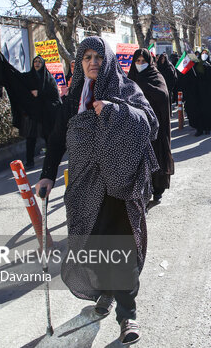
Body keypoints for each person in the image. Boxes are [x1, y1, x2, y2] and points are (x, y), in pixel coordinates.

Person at [35, 37, 159, 344]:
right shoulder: (74, 96)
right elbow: (56, 139)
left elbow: (150, 124)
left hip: (120, 187)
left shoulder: (126, 90)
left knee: (121, 250)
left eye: (98, 57)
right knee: (92, 247)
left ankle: (127, 315)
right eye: (87, 57)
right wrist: (47, 175)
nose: (93, 62)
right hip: (84, 187)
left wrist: (115, 112)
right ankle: (107, 292)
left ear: (108, 60)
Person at [128, 49, 174, 202]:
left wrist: (144, 88)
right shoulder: (130, 79)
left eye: (144, 61)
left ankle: (157, 188)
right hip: (137, 128)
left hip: (156, 127)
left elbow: (163, 95)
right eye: (138, 61)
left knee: (156, 156)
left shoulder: (156, 76)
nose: (140, 64)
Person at [21, 56, 62, 168]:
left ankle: (51, 159)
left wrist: (40, 93)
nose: (37, 63)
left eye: (39, 62)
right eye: (35, 61)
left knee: (48, 136)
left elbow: (54, 95)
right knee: (30, 137)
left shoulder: (49, 79)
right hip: (33, 113)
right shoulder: (28, 78)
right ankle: (29, 161)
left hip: (46, 113)